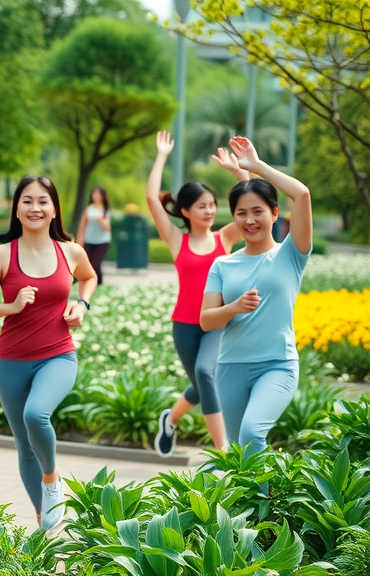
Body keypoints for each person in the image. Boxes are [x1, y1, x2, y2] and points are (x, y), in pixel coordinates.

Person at [0, 176, 97, 532]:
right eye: (27, 201)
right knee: (24, 448)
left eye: (42, 201)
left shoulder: (70, 251)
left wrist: (81, 304)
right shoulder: (2, 255)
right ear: (17, 209)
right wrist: (10, 306)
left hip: (58, 355)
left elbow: (89, 277)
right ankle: (44, 524)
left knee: (36, 415)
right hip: (10, 362)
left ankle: (51, 481)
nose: (35, 208)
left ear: (54, 209)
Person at [200, 136, 313, 464]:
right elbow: (207, 320)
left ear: (275, 213)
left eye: (258, 212)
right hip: (230, 367)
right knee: (239, 455)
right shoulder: (223, 264)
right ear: (233, 218)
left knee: (252, 433)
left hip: (277, 365)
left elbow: (302, 194)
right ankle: (252, 513)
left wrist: (256, 166)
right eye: (241, 213)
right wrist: (234, 308)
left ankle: (273, 512)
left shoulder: (291, 254)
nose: (249, 220)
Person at [147, 131, 245, 457]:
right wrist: (161, 155)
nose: (210, 211)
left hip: (216, 323)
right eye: (202, 206)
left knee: (205, 374)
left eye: (213, 205)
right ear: (185, 211)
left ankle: (224, 452)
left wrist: (238, 172)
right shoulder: (177, 240)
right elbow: (151, 199)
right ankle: (170, 419)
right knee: (204, 387)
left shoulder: (225, 238)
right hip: (184, 326)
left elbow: (251, 201)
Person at [76, 186, 112, 285]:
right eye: (94, 193)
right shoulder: (88, 209)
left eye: (98, 193)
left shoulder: (106, 210)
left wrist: (101, 219)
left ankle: (98, 283)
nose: (96, 196)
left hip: (102, 241)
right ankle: (90, 282)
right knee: (88, 263)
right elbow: (83, 225)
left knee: (96, 263)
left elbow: (108, 228)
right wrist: (80, 238)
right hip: (89, 239)